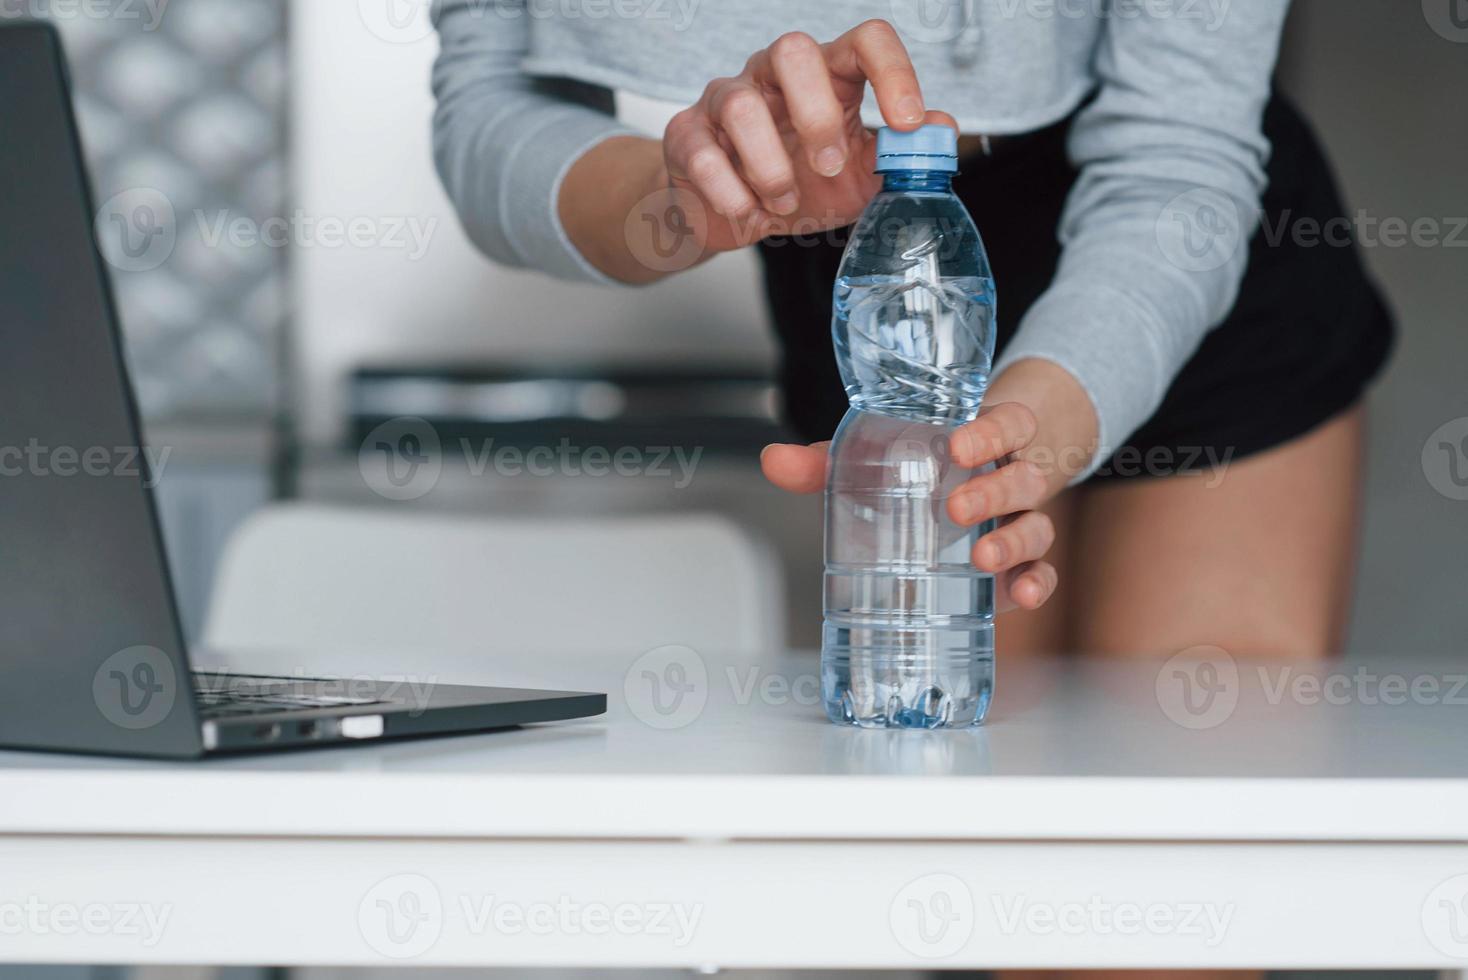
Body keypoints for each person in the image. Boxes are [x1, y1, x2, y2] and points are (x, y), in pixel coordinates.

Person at [429, 1, 1392, 668]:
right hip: (873, 284)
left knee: (1170, 903)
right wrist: (683, 202)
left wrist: (1019, 434)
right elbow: (489, 105)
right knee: (964, 847)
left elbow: (1179, 148)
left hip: (1177, 263)